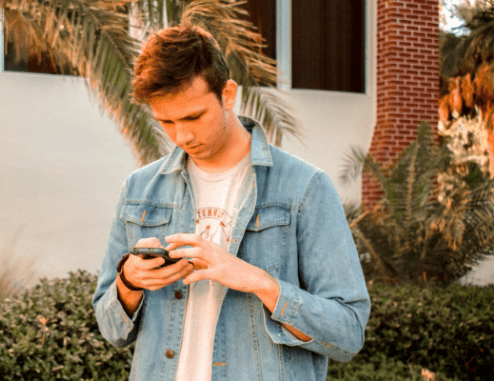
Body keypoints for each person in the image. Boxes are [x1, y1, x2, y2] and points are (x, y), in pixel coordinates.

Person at [92, 24, 370, 381]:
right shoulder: (140, 189)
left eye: (194, 116)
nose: (182, 135)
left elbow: (347, 333)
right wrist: (129, 281)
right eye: (166, 121)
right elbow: (110, 327)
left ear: (227, 94)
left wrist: (259, 282)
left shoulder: (304, 188)